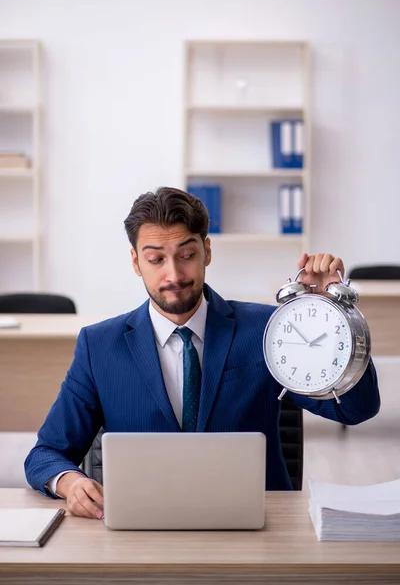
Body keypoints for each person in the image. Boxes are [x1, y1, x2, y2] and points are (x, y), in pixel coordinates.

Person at [25, 187, 380, 519]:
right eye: (156, 259)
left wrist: (330, 312)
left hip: (261, 529)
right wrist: (70, 482)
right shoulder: (99, 345)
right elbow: (45, 454)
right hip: (141, 530)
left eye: (187, 255)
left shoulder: (268, 329)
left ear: (207, 251)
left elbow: (356, 409)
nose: (174, 274)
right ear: (136, 262)